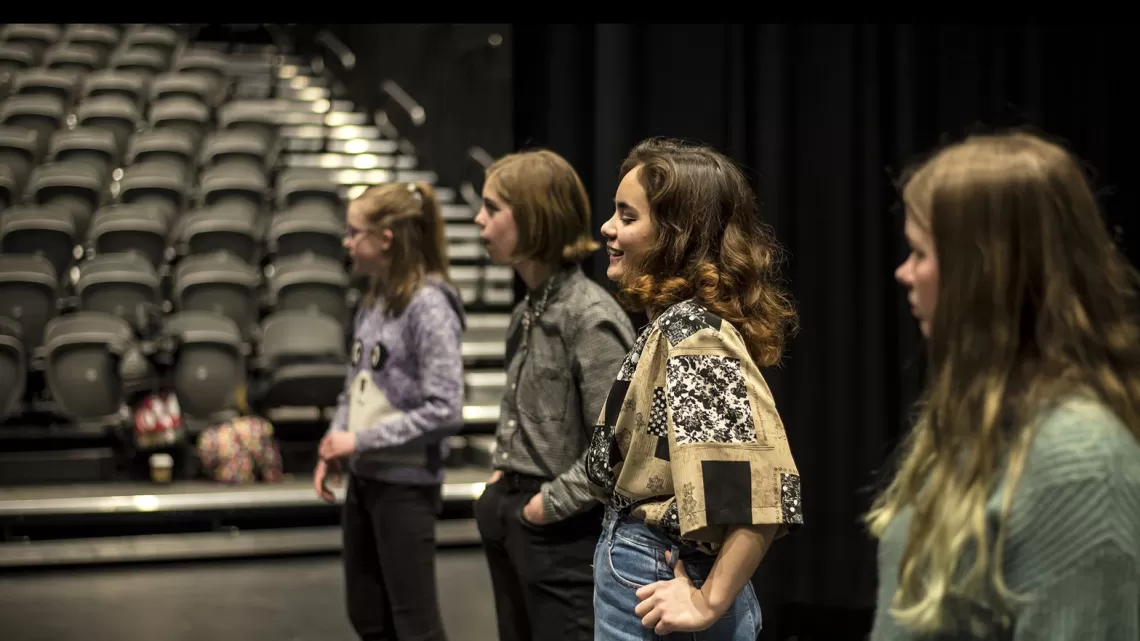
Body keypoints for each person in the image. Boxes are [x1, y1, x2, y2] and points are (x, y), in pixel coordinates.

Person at [868, 131, 1140, 640]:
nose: (905, 273)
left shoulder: (1081, 460)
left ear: (989, 271)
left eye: (921, 253)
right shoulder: (980, 422)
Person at [586, 137, 803, 640]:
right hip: (643, 566)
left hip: (656, 571)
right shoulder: (675, 328)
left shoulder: (695, 338)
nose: (608, 228)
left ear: (673, 236)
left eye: (627, 216)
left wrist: (709, 603)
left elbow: (762, 495)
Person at [471, 148, 637, 641]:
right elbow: (518, 409)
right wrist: (501, 483)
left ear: (535, 218)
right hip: (516, 513)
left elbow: (617, 446)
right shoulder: (527, 311)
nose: (479, 220)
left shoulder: (589, 316)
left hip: (559, 532)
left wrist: (546, 505)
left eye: (493, 208)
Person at [315, 181, 466, 641]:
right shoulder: (375, 298)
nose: (346, 242)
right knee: (368, 617)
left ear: (385, 239)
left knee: (414, 626)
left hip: (406, 488)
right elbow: (357, 382)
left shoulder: (429, 306)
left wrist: (359, 441)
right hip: (366, 479)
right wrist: (335, 441)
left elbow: (446, 409)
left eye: (353, 231)